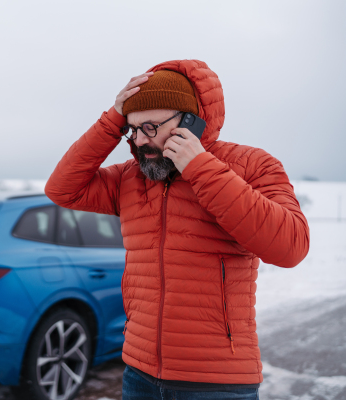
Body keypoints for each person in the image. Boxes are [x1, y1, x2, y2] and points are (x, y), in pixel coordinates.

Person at [45, 59, 310, 399]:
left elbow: (291, 247)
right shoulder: (130, 178)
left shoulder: (252, 165)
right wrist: (112, 119)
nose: (140, 141)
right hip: (138, 374)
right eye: (133, 129)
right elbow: (62, 188)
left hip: (217, 382)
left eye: (151, 127)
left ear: (191, 122)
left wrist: (200, 167)